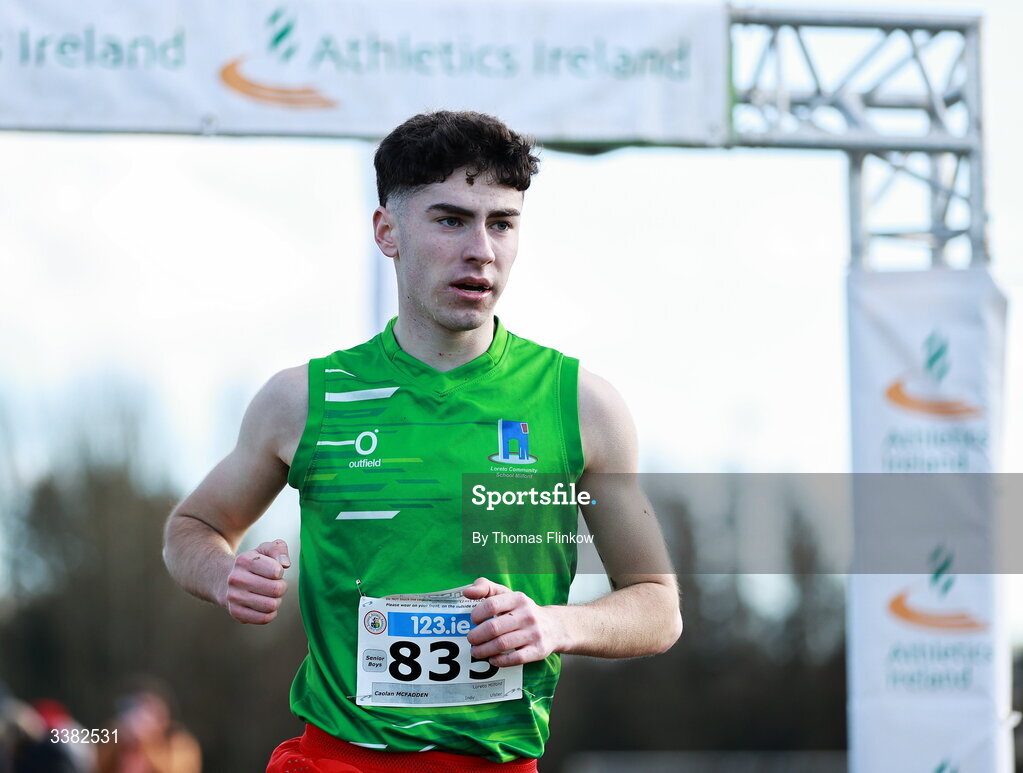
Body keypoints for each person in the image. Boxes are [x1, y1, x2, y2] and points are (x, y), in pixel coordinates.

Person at [163, 110, 682, 772]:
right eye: (450, 219)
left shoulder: (582, 405)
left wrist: (557, 623)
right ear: (388, 231)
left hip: (497, 761)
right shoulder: (302, 399)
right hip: (334, 758)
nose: (481, 250)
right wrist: (223, 572)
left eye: (501, 222)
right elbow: (192, 527)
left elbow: (657, 605)